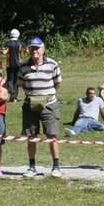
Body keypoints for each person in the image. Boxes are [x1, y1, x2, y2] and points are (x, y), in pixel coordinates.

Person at [18, 38, 63, 177]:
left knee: (52, 135)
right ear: (28, 51)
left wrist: (49, 95)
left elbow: (58, 83)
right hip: (30, 105)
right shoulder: (23, 67)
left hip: (49, 105)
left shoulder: (52, 64)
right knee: (31, 136)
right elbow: (22, 84)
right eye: (32, 48)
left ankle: (56, 167)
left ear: (43, 50)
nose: (35, 51)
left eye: (37, 48)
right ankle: (32, 167)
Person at [4, 29, 23, 96]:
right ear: (18, 35)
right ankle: (14, 97)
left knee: (10, 80)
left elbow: (5, 52)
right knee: (16, 80)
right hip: (19, 64)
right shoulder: (20, 43)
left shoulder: (8, 43)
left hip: (10, 64)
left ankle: (11, 91)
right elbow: (27, 50)